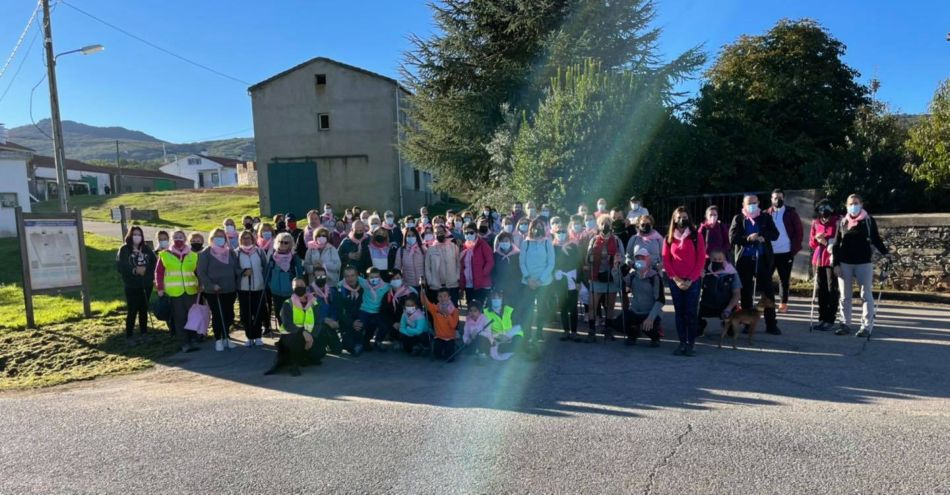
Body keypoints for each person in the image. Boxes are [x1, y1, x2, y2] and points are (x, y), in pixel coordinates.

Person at [832, 194, 888, 337]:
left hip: (864, 263)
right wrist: (836, 264)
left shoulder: (868, 221)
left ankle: (866, 327)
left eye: (856, 203)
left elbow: (875, 239)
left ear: (861, 204)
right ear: (846, 206)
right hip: (845, 263)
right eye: (850, 204)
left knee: (866, 295)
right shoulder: (843, 222)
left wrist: (886, 253)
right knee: (845, 296)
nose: (853, 206)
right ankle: (845, 324)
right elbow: (837, 244)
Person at [729, 194, 781, 335]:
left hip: (762, 258)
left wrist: (764, 236)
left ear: (758, 203)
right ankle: (747, 323)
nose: (752, 205)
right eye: (749, 203)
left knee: (768, 292)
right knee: (746, 292)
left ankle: (771, 324)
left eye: (754, 202)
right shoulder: (738, 218)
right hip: (745, 259)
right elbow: (732, 238)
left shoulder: (765, 217)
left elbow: (775, 234)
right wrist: (748, 238)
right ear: (743, 205)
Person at [662, 207, 706, 356]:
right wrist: (675, 278)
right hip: (676, 281)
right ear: (674, 219)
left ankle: (690, 344)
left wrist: (691, 279)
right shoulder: (668, 238)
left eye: (685, 217)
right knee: (679, 313)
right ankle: (681, 342)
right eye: (679, 217)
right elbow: (666, 260)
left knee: (691, 313)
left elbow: (701, 259)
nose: (682, 220)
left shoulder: (696, 236)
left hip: (692, 281)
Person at [265, 278, 325, 376]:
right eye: (296, 286)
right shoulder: (288, 303)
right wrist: (303, 332)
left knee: (319, 352)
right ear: (292, 288)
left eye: (301, 285)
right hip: (291, 336)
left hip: (309, 336)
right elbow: (287, 324)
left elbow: (318, 322)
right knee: (295, 339)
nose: (299, 287)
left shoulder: (314, 303)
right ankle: (294, 365)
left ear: (306, 286)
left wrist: (312, 336)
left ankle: (304, 358)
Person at [197, 227, 242, 351]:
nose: (219, 239)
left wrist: (243, 272)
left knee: (228, 315)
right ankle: (218, 340)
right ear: (211, 239)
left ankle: (226, 337)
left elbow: (236, 268)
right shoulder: (205, 253)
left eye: (222, 236)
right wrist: (211, 285)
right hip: (214, 291)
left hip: (230, 289)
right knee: (217, 315)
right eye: (216, 236)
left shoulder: (231, 252)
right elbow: (201, 272)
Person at [156, 229, 200, 353]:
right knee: (179, 317)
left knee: (192, 316)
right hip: (174, 292)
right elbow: (158, 273)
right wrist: (160, 287)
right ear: (172, 239)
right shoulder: (164, 254)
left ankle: (193, 338)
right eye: (176, 237)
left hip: (191, 290)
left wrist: (201, 284)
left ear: (185, 239)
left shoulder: (193, 255)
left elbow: (198, 272)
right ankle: (184, 342)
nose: (178, 239)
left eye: (181, 236)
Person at [611, 247, 664, 347]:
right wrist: (615, 269)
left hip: (649, 313)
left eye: (642, 258)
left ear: (648, 259)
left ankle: (655, 337)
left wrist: (651, 318)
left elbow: (660, 300)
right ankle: (633, 334)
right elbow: (620, 286)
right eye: (637, 258)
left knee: (648, 327)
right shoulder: (632, 275)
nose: (640, 260)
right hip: (635, 311)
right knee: (618, 323)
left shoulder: (655, 277)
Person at [585, 215, 623, 342]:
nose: (605, 226)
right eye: (602, 223)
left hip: (611, 277)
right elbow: (587, 258)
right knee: (592, 306)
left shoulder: (616, 240)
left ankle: (608, 330)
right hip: (596, 277)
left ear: (611, 225)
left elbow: (622, 257)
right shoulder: (594, 240)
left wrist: (617, 260)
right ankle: (591, 331)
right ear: (599, 225)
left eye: (607, 223)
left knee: (610, 306)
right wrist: (590, 258)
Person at [116, 225, 156, 345]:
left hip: (146, 284)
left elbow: (154, 263)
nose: (137, 237)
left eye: (139, 234)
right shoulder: (124, 249)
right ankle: (129, 336)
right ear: (130, 235)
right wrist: (134, 270)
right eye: (135, 234)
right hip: (132, 285)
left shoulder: (146, 249)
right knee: (132, 310)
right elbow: (120, 266)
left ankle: (144, 333)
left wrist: (146, 271)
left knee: (143, 308)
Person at [519, 218, 556, 345]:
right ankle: (528, 333)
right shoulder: (525, 243)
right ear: (531, 228)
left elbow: (551, 263)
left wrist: (540, 280)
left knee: (541, 309)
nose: (537, 228)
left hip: (543, 282)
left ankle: (539, 332)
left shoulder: (547, 243)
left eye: (540, 226)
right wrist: (528, 278)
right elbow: (522, 262)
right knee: (528, 309)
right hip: (528, 282)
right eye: (535, 226)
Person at [766, 188, 803, 313]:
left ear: (784, 198)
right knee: (766, 278)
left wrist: (794, 249)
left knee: (784, 279)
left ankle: (783, 303)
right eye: (775, 198)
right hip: (770, 252)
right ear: (771, 199)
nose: (778, 200)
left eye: (780, 198)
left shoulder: (791, 213)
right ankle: (767, 302)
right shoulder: (766, 214)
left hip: (786, 252)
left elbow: (799, 232)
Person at [809, 200, 841, 331]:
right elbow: (811, 243)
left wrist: (825, 241)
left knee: (831, 289)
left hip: (831, 258)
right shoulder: (815, 223)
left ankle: (830, 318)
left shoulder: (838, 221)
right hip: (819, 258)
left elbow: (839, 240)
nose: (824, 211)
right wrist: (817, 240)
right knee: (821, 289)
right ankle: (821, 317)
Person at [697, 249, 742, 337]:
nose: (717, 261)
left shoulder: (732, 273)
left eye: (720, 259)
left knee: (733, 332)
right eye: (714, 260)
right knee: (694, 327)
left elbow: (737, 294)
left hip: (726, 306)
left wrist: (728, 309)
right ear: (710, 259)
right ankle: (700, 326)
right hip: (707, 304)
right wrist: (698, 277)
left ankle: (727, 324)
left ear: (724, 259)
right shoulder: (704, 272)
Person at [265, 232, 303, 330]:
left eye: (286, 242)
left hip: (290, 292)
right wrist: (270, 285)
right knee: (279, 314)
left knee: (291, 314)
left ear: (290, 244)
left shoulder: (294, 258)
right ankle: (284, 337)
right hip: (276, 291)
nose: (283, 244)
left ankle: (293, 336)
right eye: (281, 242)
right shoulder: (272, 258)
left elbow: (300, 274)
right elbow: (268, 274)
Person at [236, 230, 267, 347]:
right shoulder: (236, 253)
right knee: (246, 313)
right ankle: (249, 336)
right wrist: (243, 272)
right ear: (240, 240)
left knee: (258, 311)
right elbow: (234, 270)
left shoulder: (259, 251)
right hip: (243, 288)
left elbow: (265, 266)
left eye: (248, 238)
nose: (246, 240)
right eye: (243, 238)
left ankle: (258, 336)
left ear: (252, 239)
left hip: (258, 287)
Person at [553, 223, 583, 342]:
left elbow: (578, 263)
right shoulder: (553, 247)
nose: (561, 234)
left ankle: (574, 331)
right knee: (563, 306)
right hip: (559, 279)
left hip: (572, 278)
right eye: (558, 232)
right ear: (555, 234)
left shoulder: (573, 246)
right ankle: (565, 331)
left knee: (573, 306)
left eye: (563, 232)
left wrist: (579, 280)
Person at [308, 264, 344, 355]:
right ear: (314, 277)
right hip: (317, 325)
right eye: (318, 276)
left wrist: (333, 319)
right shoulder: (309, 292)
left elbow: (335, 308)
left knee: (337, 350)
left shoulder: (331, 291)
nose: (321, 278)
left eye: (323, 276)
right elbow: (309, 312)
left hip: (330, 323)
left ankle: (328, 343)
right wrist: (324, 319)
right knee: (319, 353)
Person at [424, 224, 461, 306]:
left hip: (452, 284)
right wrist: (430, 281)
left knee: (453, 310)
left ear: (446, 233)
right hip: (436, 286)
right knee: (438, 313)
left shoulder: (454, 247)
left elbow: (459, 263)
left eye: (441, 232)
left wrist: (457, 276)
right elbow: (427, 267)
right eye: (437, 232)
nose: (439, 234)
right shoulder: (430, 249)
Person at [332, 265, 365, 355]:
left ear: (357, 275)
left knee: (365, 343)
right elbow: (340, 312)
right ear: (344, 277)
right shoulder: (340, 291)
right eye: (347, 276)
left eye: (352, 275)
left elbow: (365, 307)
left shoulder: (363, 289)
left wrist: (360, 321)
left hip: (360, 321)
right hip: (347, 323)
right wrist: (352, 323)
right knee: (348, 344)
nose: (350, 278)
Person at [421, 286, 460, 361]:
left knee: (449, 359)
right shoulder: (435, 308)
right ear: (437, 298)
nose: (442, 298)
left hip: (450, 338)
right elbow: (425, 303)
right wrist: (422, 292)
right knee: (437, 356)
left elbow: (453, 325)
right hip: (439, 337)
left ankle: (454, 346)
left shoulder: (455, 311)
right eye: (440, 296)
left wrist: (448, 314)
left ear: (449, 297)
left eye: (445, 296)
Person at [460, 222, 494, 308]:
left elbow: (490, 261)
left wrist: (483, 273)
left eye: (471, 232)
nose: (468, 235)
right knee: (471, 308)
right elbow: (462, 265)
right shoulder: (464, 246)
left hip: (481, 283)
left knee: (480, 308)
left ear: (476, 232)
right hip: (468, 284)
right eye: (466, 233)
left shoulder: (482, 244)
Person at [357, 267, 392, 351]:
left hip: (377, 312)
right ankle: (362, 341)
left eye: (376, 277)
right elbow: (352, 277)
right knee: (359, 326)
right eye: (371, 277)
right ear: (367, 278)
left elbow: (398, 286)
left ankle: (378, 341)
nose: (374, 279)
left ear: (379, 277)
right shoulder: (364, 283)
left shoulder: (385, 286)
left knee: (384, 326)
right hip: (364, 310)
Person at [382, 269, 418, 347]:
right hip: (395, 323)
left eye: (398, 278)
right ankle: (396, 339)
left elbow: (417, 311)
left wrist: (405, 323)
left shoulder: (410, 292)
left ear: (402, 279)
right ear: (390, 281)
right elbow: (384, 312)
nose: (396, 281)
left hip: (409, 322)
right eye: (393, 279)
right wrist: (393, 323)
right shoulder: (388, 295)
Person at [484, 291, 524, 360]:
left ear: (502, 298)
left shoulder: (509, 309)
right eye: (494, 298)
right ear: (490, 299)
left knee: (518, 341)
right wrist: (498, 336)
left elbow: (519, 325)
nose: (496, 300)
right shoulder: (485, 312)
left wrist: (508, 336)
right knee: (490, 344)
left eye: (499, 297)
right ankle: (510, 350)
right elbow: (486, 330)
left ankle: (509, 349)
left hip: (511, 335)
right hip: (497, 337)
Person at [394, 227, 425, 293]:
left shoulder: (423, 249)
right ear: (405, 237)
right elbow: (397, 268)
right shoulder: (401, 250)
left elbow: (428, 266)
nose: (411, 237)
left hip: (423, 284)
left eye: (413, 235)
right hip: (408, 285)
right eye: (408, 236)